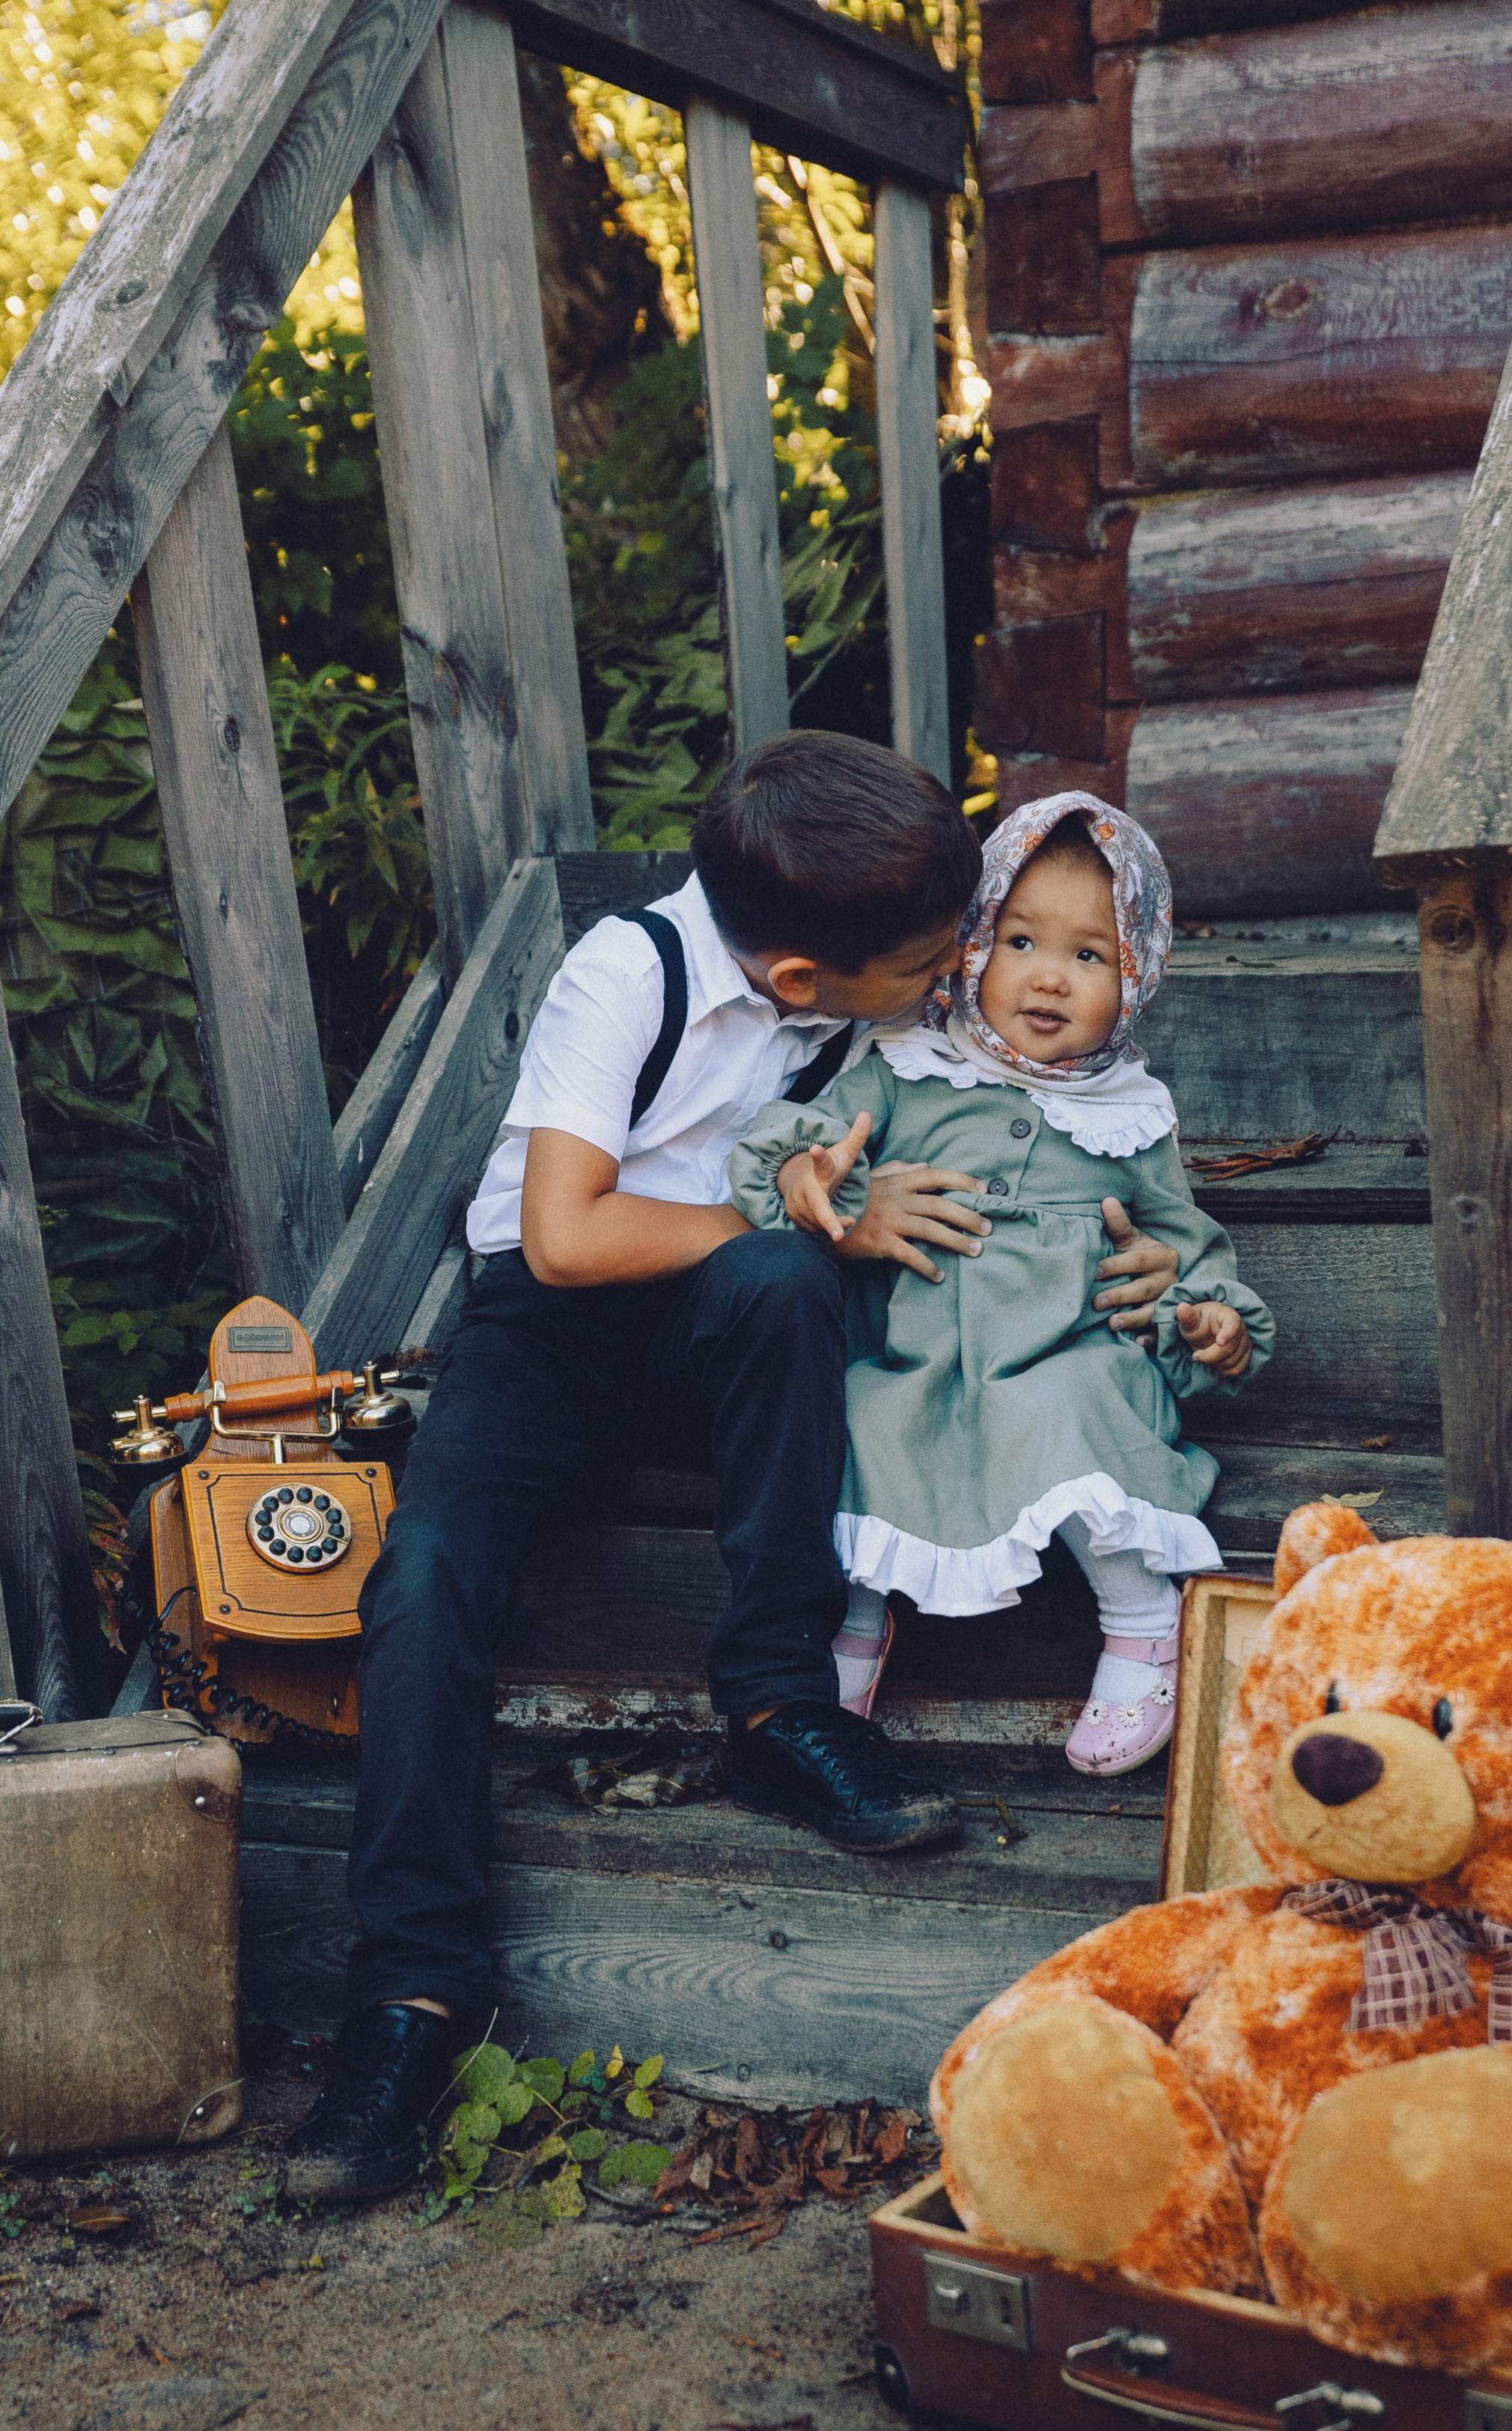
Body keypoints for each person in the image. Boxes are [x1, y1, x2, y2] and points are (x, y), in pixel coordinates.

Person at [287, 734, 1011, 2204]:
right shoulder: (630, 970)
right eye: (929, 961)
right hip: (544, 1338)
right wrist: (805, 1222)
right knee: (421, 1579)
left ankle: (777, 1705)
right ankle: (413, 1993)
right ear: (799, 975)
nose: (956, 971)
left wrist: (834, 1202)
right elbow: (563, 1237)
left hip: (717, 1328)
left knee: (785, 1291)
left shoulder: (854, 995)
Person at [728, 789, 1272, 1779]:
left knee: (1072, 1409)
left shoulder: (1129, 1116)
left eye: (1091, 955)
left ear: (1138, 975)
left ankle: (1143, 1620)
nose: (1050, 976)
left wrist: (1208, 1317)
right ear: (973, 943)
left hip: (1067, 1350)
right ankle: (852, 1624)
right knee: (857, 1423)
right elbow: (805, 1145)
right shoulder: (905, 1066)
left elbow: (1181, 1245)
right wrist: (811, 1178)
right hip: (914, 1353)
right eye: (1020, 941)